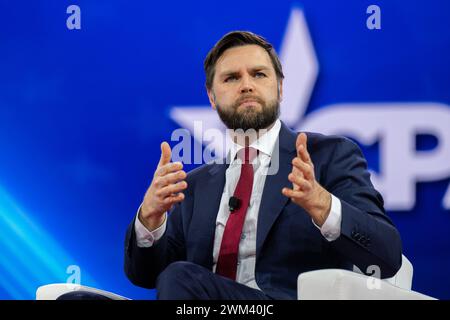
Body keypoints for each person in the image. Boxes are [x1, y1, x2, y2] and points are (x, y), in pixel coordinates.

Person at [124, 31, 402, 300]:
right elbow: (148, 277)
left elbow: (386, 257)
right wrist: (150, 219)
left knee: (180, 277)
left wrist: (322, 204)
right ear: (211, 97)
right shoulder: (195, 186)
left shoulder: (330, 157)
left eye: (258, 74)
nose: (246, 84)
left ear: (280, 88)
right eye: (232, 78)